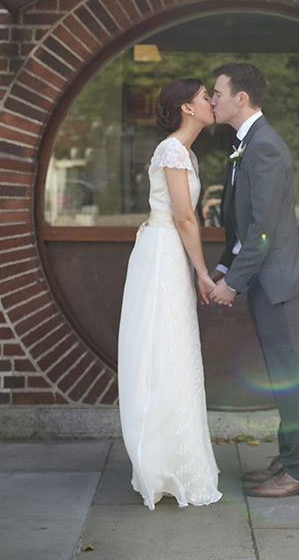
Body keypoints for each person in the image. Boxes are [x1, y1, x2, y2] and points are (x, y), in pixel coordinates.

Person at [209, 63, 299, 498]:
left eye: (217, 93)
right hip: (268, 282)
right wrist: (221, 268)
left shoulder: (265, 146)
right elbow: (243, 227)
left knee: (293, 378)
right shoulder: (247, 144)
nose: (211, 100)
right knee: (283, 377)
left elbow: (264, 230)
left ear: (241, 98)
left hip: (280, 285)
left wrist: (232, 283)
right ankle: (290, 457)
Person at [118, 78, 222, 510]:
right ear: (187, 107)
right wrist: (202, 272)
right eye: (204, 97)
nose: (211, 102)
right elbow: (184, 218)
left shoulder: (187, 152)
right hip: (163, 254)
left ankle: (176, 458)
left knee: (174, 352)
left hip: (168, 254)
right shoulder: (173, 150)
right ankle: (162, 463)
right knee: (164, 352)